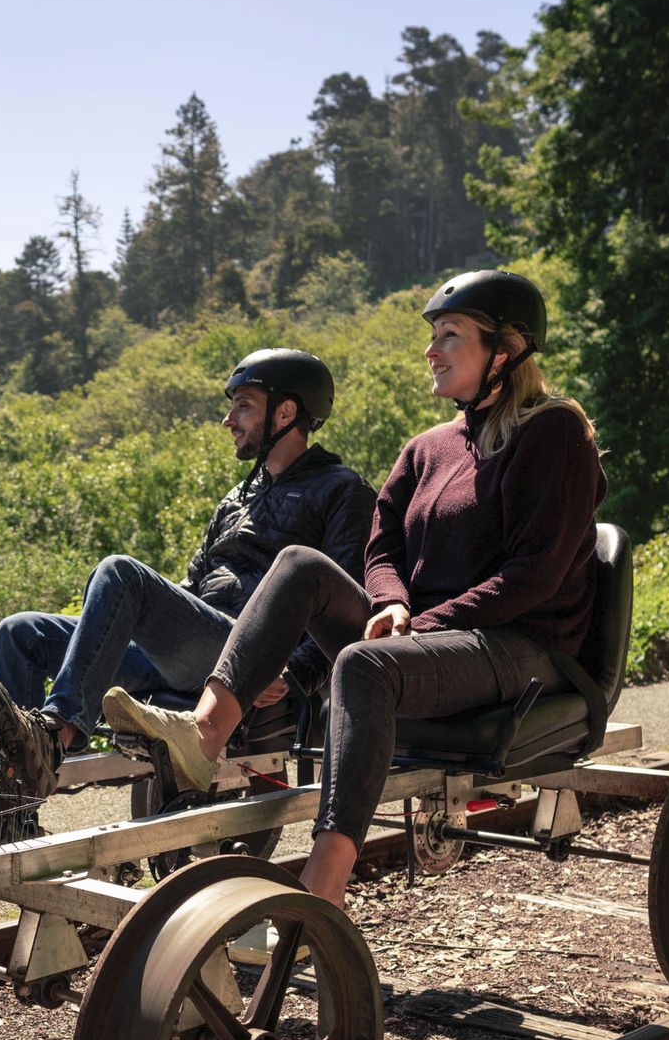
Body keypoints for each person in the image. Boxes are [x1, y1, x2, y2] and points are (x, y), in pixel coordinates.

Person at [104, 270, 607, 908]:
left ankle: (325, 888)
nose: (432, 350)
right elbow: (382, 543)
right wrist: (392, 600)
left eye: (450, 335)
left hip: (518, 646)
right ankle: (204, 736)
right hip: (432, 643)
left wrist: (422, 625)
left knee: (365, 665)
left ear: (503, 352)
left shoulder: (551, 432)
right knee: (300, 565)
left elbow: (534, 575)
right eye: (432, 336)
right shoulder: (428, 448)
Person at [0, 349, 376, 797]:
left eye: (243, 405)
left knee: (120, 572)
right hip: (192, 647)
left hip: (250, 653)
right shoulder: (235, 499)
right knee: (19, 632)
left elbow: (346, 606)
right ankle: (12, 801)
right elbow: (191, 588)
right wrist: (150, 614)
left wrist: (295, 673)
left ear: (286, 411)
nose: (229, 420)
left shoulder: (342, 490)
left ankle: (56, 734)